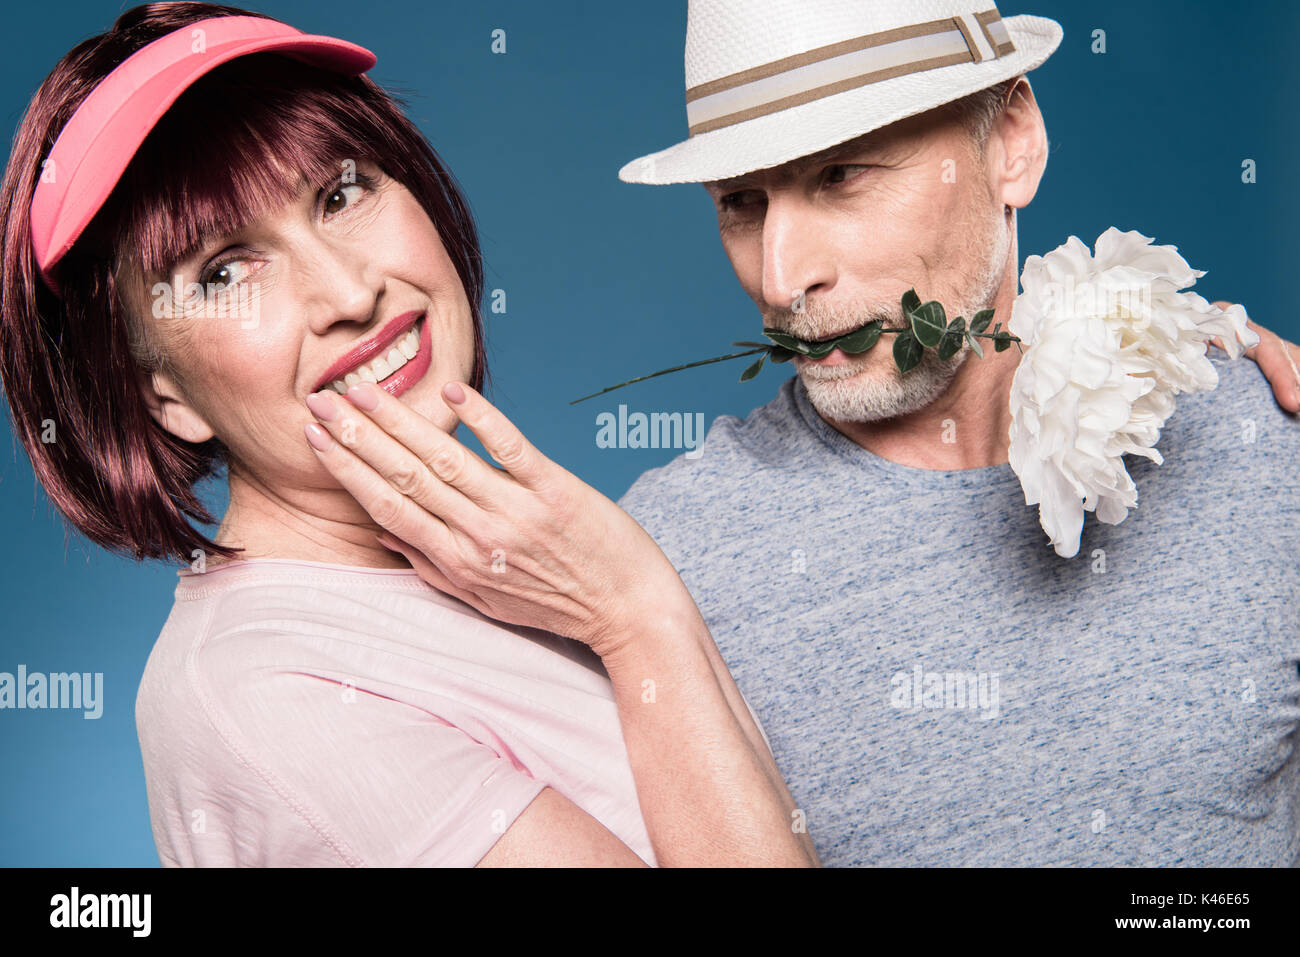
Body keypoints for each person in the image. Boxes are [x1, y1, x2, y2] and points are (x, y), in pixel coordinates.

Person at [0, 3, 816, 867]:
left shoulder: (513, 565)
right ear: (160, 394)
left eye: (340, 193)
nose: (348, 293)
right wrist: (638, 612)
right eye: (225, 272)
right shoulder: (265, 692)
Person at [599, 0, 1300, 864]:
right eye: (741, 201)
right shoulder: (653, 567)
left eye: (841, 175)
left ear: (1010, 140)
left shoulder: (1258, 441)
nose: (782, 280)